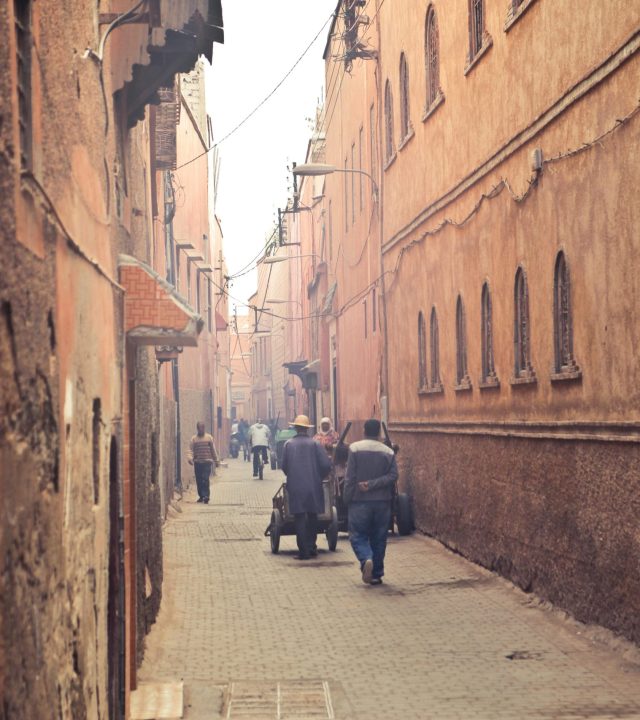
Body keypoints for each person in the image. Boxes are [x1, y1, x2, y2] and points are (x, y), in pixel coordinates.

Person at [343, 418, 398, 585]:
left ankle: (366, 558)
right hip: (382, 503)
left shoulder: (354, 448)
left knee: (357, 535)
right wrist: (375, 484)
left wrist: (347, 498)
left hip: (360, 501)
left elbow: (350, 477)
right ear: (379, 433)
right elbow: (394, 476)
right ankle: (376, 574)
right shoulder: (388, 452)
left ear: (364, 431)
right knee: (379, 537)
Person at [281, 415, 333, 559]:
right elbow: (325, 465)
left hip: (295, 486)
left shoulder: (288, 444)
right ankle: (311, 547)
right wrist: (318, 477)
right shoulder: (315, 444)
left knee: (299, 517)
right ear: (307, 429)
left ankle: (303, 551)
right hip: (313, 485)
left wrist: (292, 475)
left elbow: (284, 466)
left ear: (296, 428)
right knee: (312, 516)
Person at [188, 421, 219, 504]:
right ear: (197, 429)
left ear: (204, 428)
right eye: (199, 428)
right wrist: (190, 458)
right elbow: (190, 450)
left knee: (205, 479)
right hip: (198, 462)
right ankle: (201, 496)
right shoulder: (194, 439)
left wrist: (216, 460)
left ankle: (206, 496)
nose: (201, 429)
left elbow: (213, 450)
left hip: (207, 462)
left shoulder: (209, 438)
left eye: (202, 428)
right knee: (198, 480)